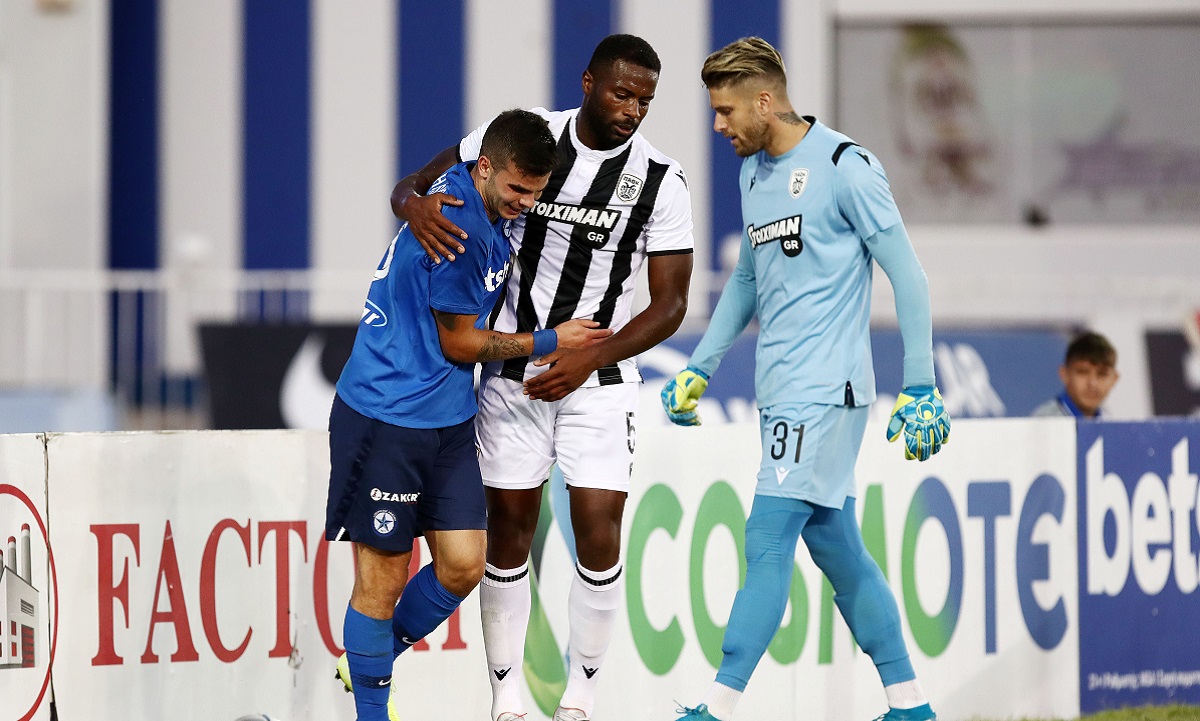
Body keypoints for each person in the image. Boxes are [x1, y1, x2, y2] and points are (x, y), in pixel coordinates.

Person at [393, 34, 694, 721]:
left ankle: (579, 700)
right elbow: (418, 185)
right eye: (621, 93)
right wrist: (412, 206)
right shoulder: (526, 137)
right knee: (507, 535)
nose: (632, 109)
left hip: (599, 375)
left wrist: (589, 356)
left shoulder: (660, 179)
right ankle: (507, 700)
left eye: (645, 100)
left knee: (598, 531)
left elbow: (672, 303)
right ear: (588, 82)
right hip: (510, 372)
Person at [661, 37, 950, 721]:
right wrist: (701, 364)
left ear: (765, 101)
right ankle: (910, 703)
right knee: (835, 543)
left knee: (766, 539)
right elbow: (747, 280)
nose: (719, 125)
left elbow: (908, 274)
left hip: (824, 391)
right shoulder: (752, 174)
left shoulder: (848, 167)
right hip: (783, 389)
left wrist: (920, 383)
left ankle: (715, 707)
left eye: (727, 110)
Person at [324, 109, 611, 721]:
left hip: (448, 418)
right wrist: (551, 340)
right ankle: (371, 707)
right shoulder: (459, 227)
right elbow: (458, 343)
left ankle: (370, 660)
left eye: (535, 193)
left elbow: (418, 181)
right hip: (386, 414)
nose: (525, 204)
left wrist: (407, 198)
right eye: (517, 190)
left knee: (462, 565)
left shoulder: (466, 191)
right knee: (383, 578)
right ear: (485, 167)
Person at [1031, 331, 1118, 418]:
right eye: (1083, 372)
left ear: (1114, 379)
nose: (1092, 383)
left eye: (1102, 374)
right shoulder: (1043, 421)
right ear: (1064, 374)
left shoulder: (1112, 421)